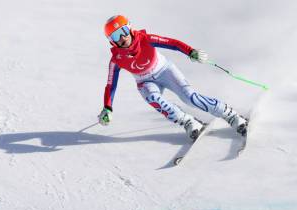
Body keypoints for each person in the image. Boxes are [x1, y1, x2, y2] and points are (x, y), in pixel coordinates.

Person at [98, 15, 247, 139]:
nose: (122, 37)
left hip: (164, 70)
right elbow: (111, 84)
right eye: (116, 35)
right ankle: (189, 122)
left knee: (190, 98)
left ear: (129, 28)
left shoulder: (145, 39)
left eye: (123, 30)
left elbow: (172, 43)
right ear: (112, 41)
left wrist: (191, 52)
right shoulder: (116, 59)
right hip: (144, 81)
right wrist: (107, 108)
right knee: (152, 98)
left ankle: (231, 115)